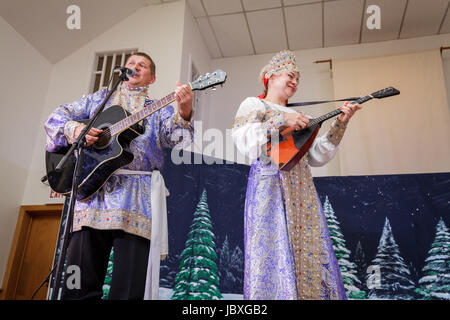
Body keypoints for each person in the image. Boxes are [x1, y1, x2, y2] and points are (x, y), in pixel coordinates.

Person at [44, 52, 194, 300]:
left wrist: (185, 111)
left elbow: (179, 139)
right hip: (91, 192)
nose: (134, 66)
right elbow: (55, 117)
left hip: (136, 196)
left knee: (129, 285)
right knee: (79, 280)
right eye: (131, 63)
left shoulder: (157, 109)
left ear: (152, 78)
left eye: (142, 65)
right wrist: (77, 129)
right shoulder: (98, 100)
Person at [232, 50, 361, 300]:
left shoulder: (304, 118)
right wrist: (282, 119)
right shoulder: (253, 104)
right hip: (269, 186)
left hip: (302, 190)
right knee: (272, 248)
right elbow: (243, 138)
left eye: (298, 79)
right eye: (290, 75)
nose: (295, 82)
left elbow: (317, 155)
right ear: (269, 76)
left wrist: (340, 123)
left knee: (307, 251)